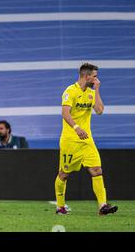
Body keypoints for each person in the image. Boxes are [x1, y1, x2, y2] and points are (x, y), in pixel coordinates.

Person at [55, 63, 117, 216]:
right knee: (64, 174)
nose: (96, 79)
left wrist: (96, 89)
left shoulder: (91, 93)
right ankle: (60, 207)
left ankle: (102, 206)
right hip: (70, 140)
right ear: (86, 76)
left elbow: (100, 110)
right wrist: (77, 128)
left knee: (97, 170)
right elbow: (65, 113)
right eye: (94, 77)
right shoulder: (70, 91)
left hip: (87, 140)